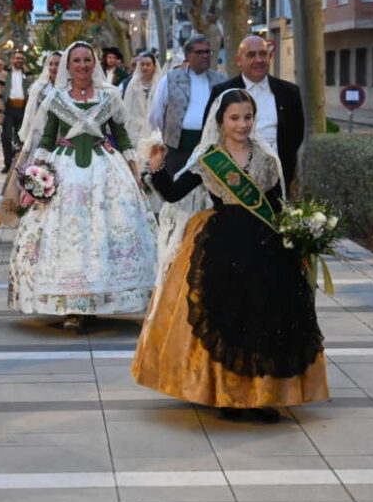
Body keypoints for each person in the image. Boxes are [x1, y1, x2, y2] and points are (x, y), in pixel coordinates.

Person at [133, 88, 328, 422]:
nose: (242, 124)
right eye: (235, 118)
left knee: (265, 320)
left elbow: (277, 206)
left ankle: (260, 396)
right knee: (226, 317)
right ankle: (226, 395)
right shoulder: (210, 158)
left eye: (248, 117)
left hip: (265, 247)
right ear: (221, 120)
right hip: (222, 245)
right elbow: (172, 193)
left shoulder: (267, 158)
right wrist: (156, 167)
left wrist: (299, 235)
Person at [8, 41, 157, 332]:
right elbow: (48, 138)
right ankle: (71, 306)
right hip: (64, 174)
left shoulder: (110, 96)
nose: (82, 65)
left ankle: (101, 297)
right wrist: (35, 176)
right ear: (67, 65)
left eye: (87, 60)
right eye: (76, 61)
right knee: (67, 235)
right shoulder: (57, 98)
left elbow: (122, 136)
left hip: (106, 172)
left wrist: (133, 168)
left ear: (94, 62)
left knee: (106, 231)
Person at [205, 35, 304, 192]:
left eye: (263, 54)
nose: (258, 60)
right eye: (251, 55)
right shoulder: (222, 92)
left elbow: (297, 134)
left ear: (270, 57)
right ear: (239, 60)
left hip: (278, 179)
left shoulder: (290, 92)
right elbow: (210, 134)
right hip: (234, 180)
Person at [150, 36, 228, 176]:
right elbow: (157, 113)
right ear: (187, 55)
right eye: (199, 52)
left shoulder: (221, 80)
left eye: (207, 52)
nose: (204, 56)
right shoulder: (171, 79)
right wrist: (162, 140)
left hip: (212, 147)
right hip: (177, 148)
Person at [0, 50, 61, 225]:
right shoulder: (39, 88)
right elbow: (31, 116)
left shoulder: (70, 89)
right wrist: (26, 140)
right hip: (40, 139)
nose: (54, 67)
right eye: (51, 64)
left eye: (57, 64)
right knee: (34, 180)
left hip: (62, 142)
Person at [120, 51, 162, 148]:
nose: (145, 67)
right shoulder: (133, 83)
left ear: (154, 66)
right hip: (135, 127)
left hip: (155, 127)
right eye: (142, 64)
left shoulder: (160, 83)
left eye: (148, 64)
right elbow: (127, 105)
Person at [0, 51, 31, 172]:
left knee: (22, 137)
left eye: (21, 58)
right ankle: (8, 163)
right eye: (16, 58)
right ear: (12, 60)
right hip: (9, 108)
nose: (19, 60)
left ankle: (20, 164)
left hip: (23, 108)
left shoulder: (28, 75)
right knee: (6, 136)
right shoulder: (5, 74)